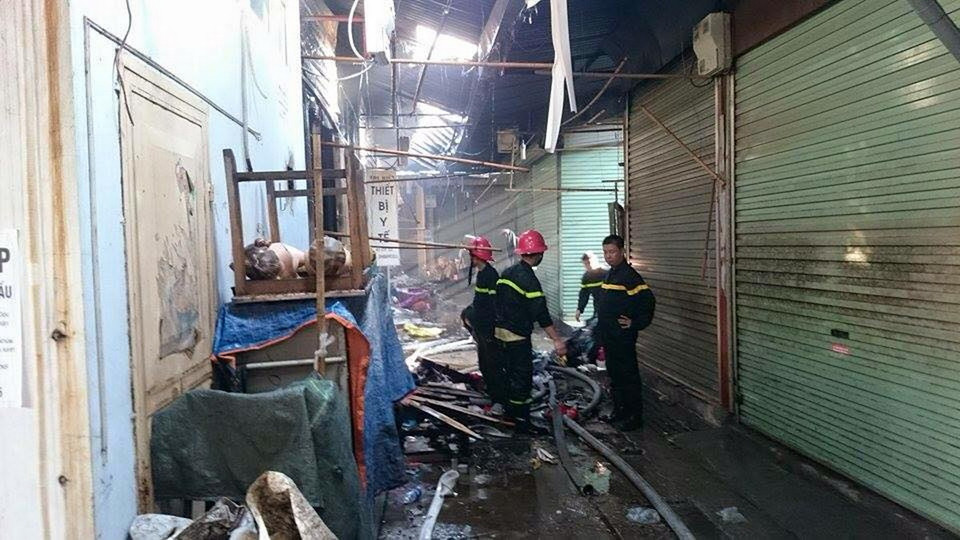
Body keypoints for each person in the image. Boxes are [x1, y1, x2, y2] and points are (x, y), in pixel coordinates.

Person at [493, 229, 567, 431]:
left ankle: (509, 414)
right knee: (522, 379)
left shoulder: (507, 273)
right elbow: (542, 314)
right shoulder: (529, 280)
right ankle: (521, 421)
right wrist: (557, 340)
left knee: (508, 375)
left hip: (499, 334)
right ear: (539, 254)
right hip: (517, 336)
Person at [594, 234, 655, 431]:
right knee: (615, 375)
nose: (608, 256)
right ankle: (620, 410)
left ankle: (634, 417)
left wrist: (635, 323)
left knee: (628, 376)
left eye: (612, 252)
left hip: (623, 337)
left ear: (622, 251)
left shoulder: (630, 277)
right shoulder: (610, 274)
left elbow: (648, 301)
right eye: (605, 252)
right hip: (610, 337)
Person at [459, 236, 503, 405]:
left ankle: (498, 398)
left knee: (491, 363)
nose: (471, 258)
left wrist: (491, 328)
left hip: (488, 327)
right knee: (484, 362)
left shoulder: (490, 275)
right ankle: (490, 391)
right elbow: (480, 301)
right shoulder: (482, 273)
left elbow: (493, 304)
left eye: (472, 255)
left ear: (478, 256)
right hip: (482, 326)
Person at [574, 251, 606, 322]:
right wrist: (579, 309)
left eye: (589, 263)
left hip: (610, 306)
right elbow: (584, 295)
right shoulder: (586, 278)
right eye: (585, 264)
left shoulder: (606, 274)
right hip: (598, 307)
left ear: (595, 261)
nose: (588, 266)